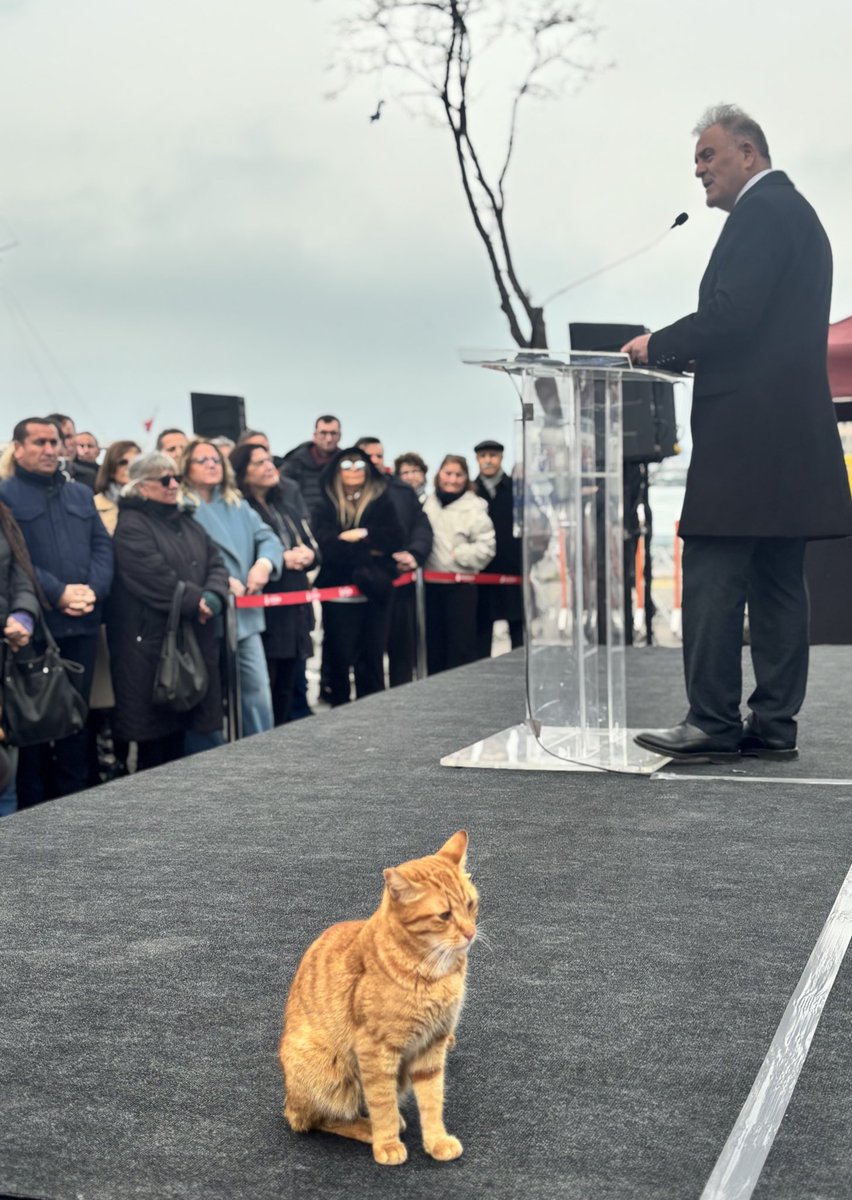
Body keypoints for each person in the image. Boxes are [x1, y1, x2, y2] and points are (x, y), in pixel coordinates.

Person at [621, 105, 852, 762]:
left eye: (708, 156)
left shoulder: (766, 212)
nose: (698, 171)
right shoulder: (793, 214)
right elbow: (763, 326)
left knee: (715, 572)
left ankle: (713, 722)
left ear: (747, 153)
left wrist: (657, 345)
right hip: (787, 433)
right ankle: (773, 724)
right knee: (779, 581)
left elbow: (734, 315)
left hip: (747, 437)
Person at [0, 418, 113, 805]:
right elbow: (18, 560)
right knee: (34, 723)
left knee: (77, 721)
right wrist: (59, 592)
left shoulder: (80, 494)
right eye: (39, 442)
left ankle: (75, 802)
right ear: (18, 448)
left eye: (54, 441)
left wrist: (91, 592)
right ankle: (34, 809)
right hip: (37, 628)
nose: (50, 449)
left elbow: (102, 547)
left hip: (82, 622)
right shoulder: (6, 496)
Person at [108, 453, 229, 771]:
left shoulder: (187, 521)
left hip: (193, 640)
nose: (173, 484)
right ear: (141, 486)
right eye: (164, 479)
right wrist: (197, 601)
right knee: (157, 744)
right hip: (151, 647)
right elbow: (152, 576)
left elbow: (215, 561)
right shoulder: (131, 525)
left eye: (175, 477)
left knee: (189, 735)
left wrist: (215, 595)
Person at [179, 438, 283, 736]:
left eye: (215, 459)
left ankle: (262, 752)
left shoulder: (237, 505)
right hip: (204, 614)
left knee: (256, 691)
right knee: (206, 697)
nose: (211, 464)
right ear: (186, 467)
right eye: (202, 460)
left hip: (245, 617)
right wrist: (221, 582)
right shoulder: (181, 506)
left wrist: (264, 564)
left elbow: (268, 538)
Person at [230, 442, 319, 725]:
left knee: (288, 688)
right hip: (265, 611)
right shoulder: (240, 508)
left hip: (295, 610)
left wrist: (310, 554)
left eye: (269, 460)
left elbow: (312, 543)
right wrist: (279, 559)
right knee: (266, 689)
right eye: (259, 463)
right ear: (242, 471)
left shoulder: (286, 502)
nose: (269, 466)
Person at [313, 447, 403, 705]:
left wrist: (359, 536)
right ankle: (339, 708)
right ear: (336, 471)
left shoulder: (382, 500)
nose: (354, 470)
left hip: (375, 593)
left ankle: (373, 712)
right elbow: (327, 546)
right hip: (338, 594)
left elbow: (394, 539)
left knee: (372, 659)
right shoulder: (325, 504)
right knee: (339, 657)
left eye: (360, 465)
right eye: (347, 465)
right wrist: (370, 549)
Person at [357, 437, 433, 686]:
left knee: (402, 651)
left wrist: (414, 554)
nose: (376, 461)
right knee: (369, 655)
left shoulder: (401, 490)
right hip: (365, 586)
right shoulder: (347, 492)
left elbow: (421, 527)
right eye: (370, 456)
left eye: (380, 455)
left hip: (400, 584)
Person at [423, 455, 495, 675]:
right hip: (430, 586)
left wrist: (459, 555)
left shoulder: (474, 508)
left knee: (461, 645)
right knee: (434, 645)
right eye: (448, 473)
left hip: (461, 586)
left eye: (458, 475)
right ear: (439, 474)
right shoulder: (427, 503)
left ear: (466, 478)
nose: (452, 480)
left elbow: (487, 548)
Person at [0, 501, 40, 814]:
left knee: (5, 772)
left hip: (7, 654)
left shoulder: (4, 513)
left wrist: (23, 614)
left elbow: (22, 571)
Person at [472, 438, 523, 658]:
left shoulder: (516, 489)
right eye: (483, 456)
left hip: (513, 570)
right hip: (481, 573)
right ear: (477, 459)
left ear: (501, 458)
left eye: (493, 455)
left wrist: (526, 559)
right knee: (481, 631)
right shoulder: (471, 491)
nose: (488, 460)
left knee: (518, 630)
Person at [281, 415, 343, 519]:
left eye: (333, 433)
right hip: (304, 520)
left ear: (339, 436)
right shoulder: (295, 463)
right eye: (323, 433)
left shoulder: (345, 463)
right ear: (315, 435)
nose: (328, 438)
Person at [93, 441, 142, 534]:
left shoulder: (153, 502)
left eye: (135, 462)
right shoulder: (93, 505)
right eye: (123, 463)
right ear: (110, 468)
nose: (130, 467)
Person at [47, 412, 97, 489]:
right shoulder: (32, 476)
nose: (65, 443)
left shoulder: (93, 475)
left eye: (69, 436)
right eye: (58, 437)